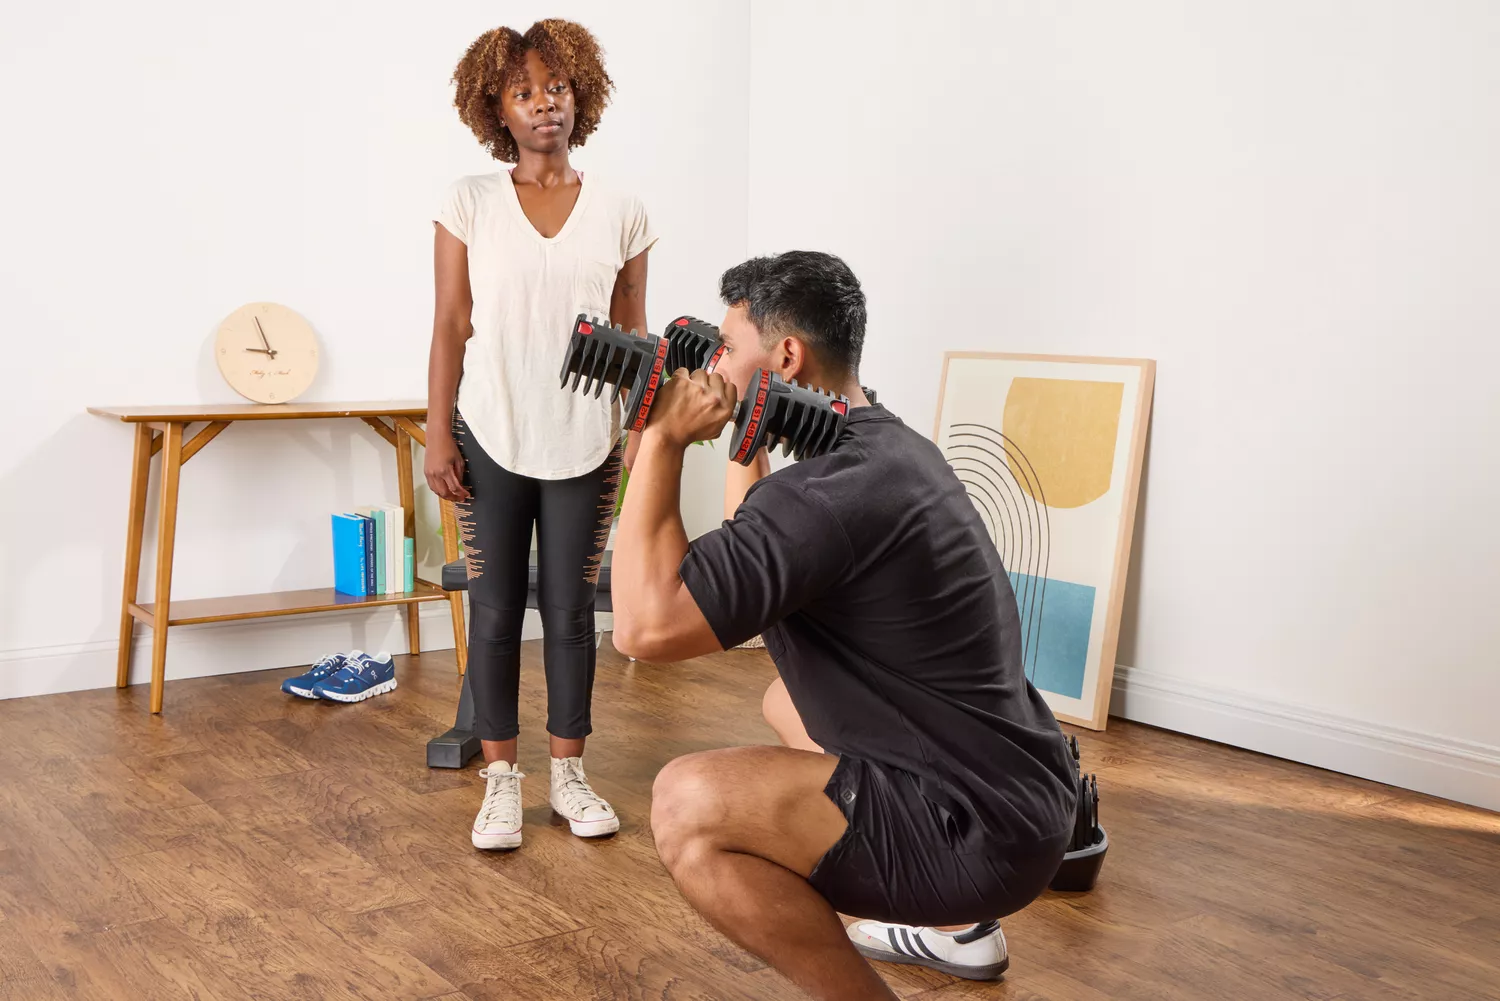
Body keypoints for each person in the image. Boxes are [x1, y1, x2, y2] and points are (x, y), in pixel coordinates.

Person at [610, 251, 1077, 1000]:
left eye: (728, 348)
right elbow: (758, 552)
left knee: (687, 804)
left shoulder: (828, 497)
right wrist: (744, 440)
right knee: (780, 701)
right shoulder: (887, 452)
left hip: (976, 834)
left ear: (786, 355)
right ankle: (955, 932)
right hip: (1023, 796)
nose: (715, 365)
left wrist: (661, 440)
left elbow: (644, 626)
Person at [424, 19, 656, 851]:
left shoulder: (623, 210)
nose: (543, 104)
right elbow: (451, 323)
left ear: (578, 93)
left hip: (588, 440)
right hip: (488, 429)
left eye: (555, 87)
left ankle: (568, 773)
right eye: (523, 92)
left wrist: (642, 434)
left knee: (568, 614)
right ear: (498, 108)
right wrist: (436, 432)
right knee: (492, 613)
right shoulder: (469, 201)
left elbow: (635, 338)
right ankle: (500, 783)